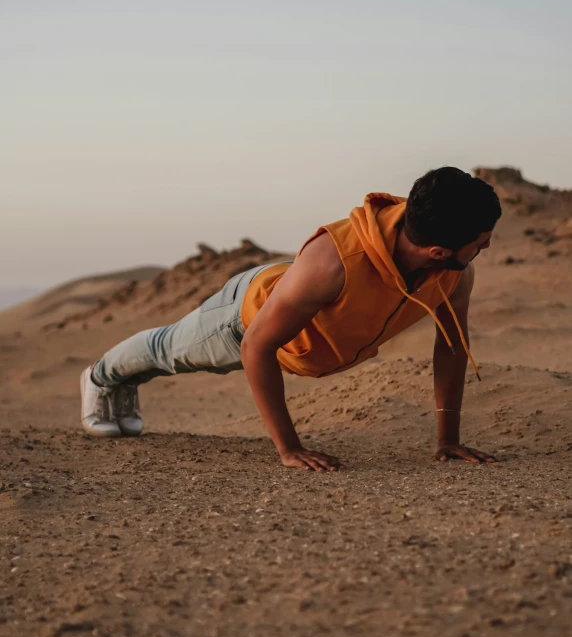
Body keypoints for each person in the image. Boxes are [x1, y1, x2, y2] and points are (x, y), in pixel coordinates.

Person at [80, 166, 502, 471]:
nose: (486, 247)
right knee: (166, 351)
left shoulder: (453, 272)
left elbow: (450, 344)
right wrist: (289, 449)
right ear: (436, 251)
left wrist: (449, 439)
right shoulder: (333, 263)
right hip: (246, 318)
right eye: (481, 242)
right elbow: (256, 346)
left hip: (303, 295)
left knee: (167, 353)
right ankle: (101, 378)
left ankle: (121, 381)